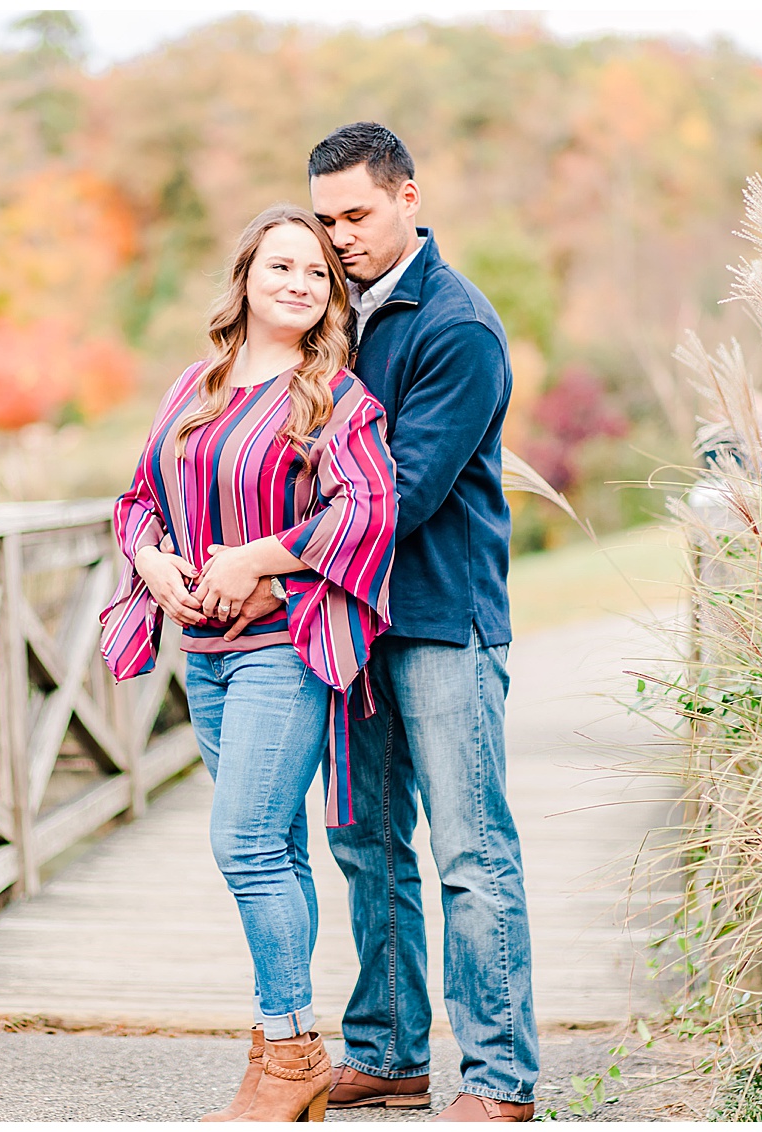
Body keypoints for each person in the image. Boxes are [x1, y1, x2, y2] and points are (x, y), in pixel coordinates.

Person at [223, 122, 538, 1122]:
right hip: (351, 629)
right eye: (325, 219)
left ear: (410, 198)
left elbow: (396, 496)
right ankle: (391, 1053)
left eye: (356, 215)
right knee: (364, 844)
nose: (340, 236)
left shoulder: (458, 327)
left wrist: (267, 562)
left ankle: (497, 1079)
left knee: (471, 855)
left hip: (443, 623)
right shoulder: (340, 320)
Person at [100, 204, 397, 1123]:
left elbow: (368, 511)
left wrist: (255, 561)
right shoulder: (196, 384)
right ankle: (283, 1048)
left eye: (317, 272)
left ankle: (293, 1047)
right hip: (205, 656)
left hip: (282, 651)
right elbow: (140, 496)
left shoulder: (334, 397)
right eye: (282, 266)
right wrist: (154, 564)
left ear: (330, 294)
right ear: (246, 277)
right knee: (277, 852)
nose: (300, 283)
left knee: (243, 845)